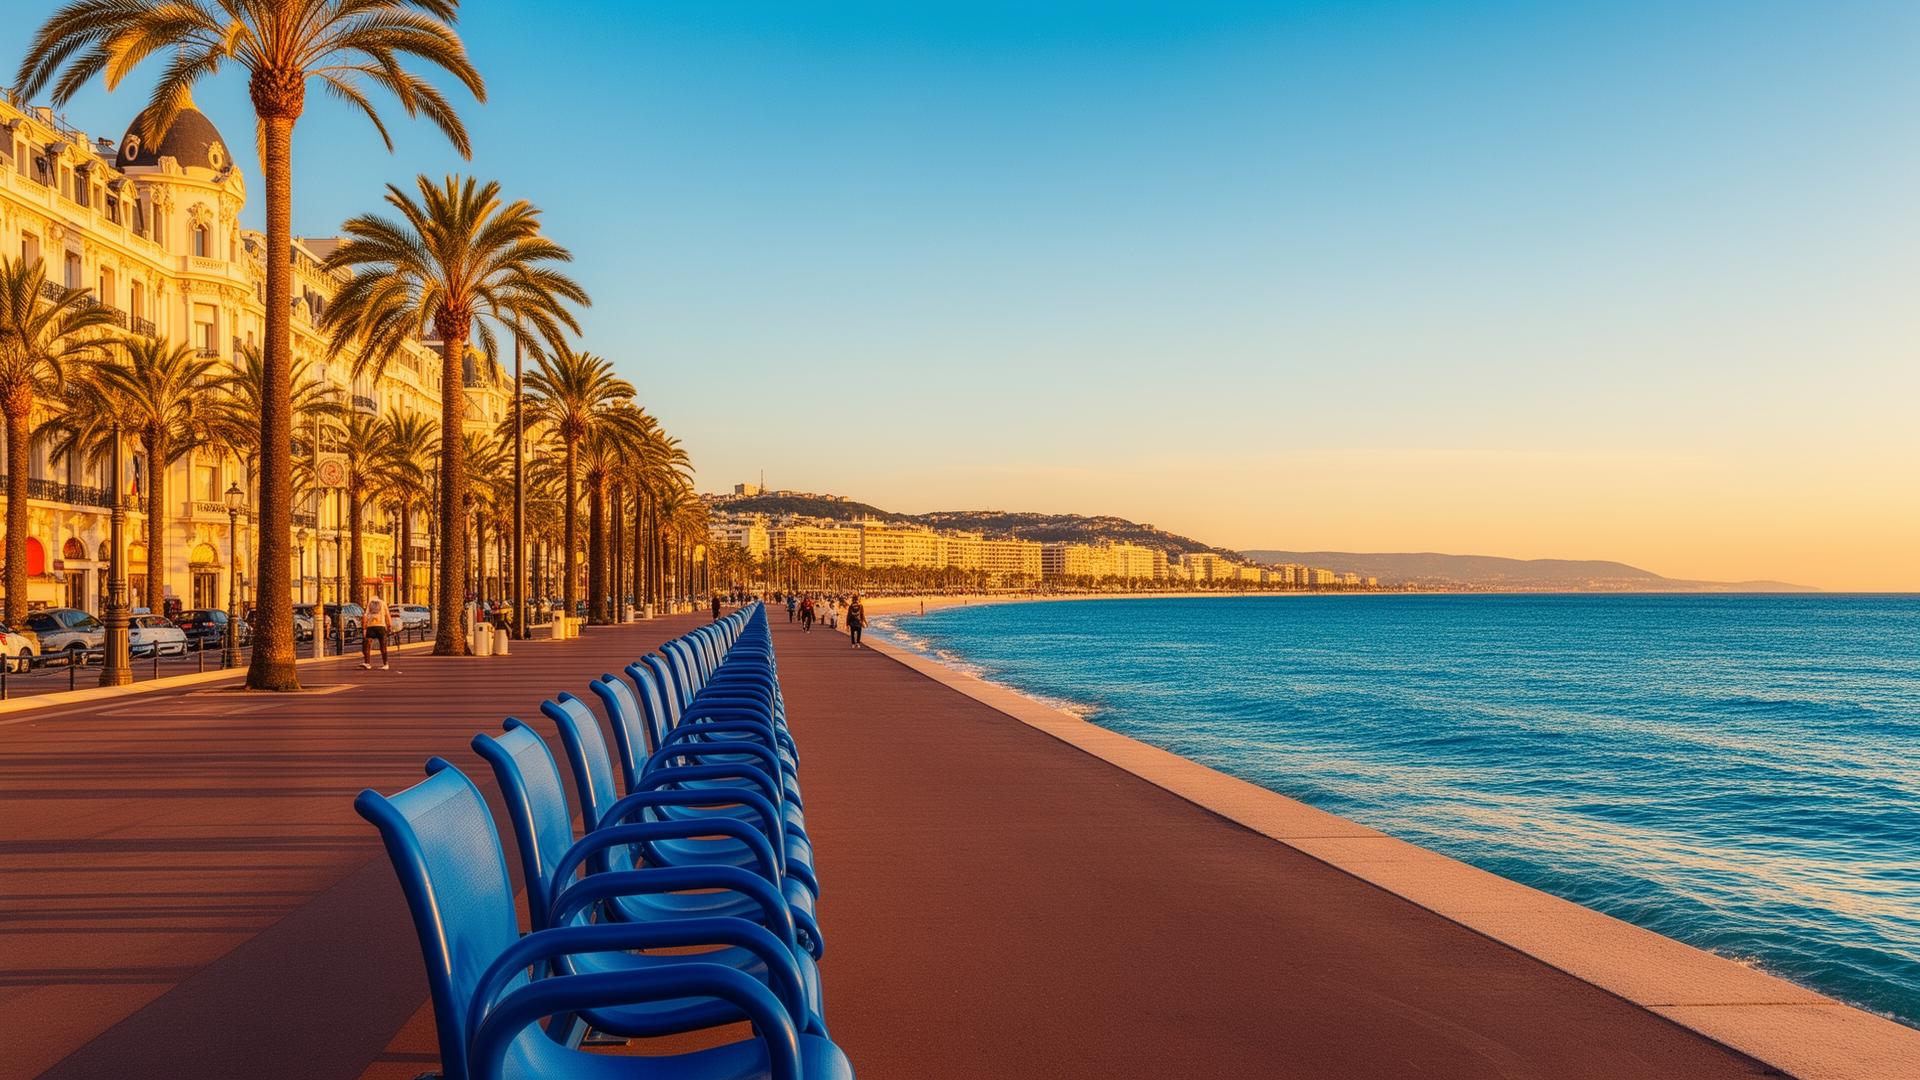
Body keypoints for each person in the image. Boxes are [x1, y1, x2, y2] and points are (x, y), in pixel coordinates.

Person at [360, 585, 391, 670]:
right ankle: (385, 664)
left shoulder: (369, 603)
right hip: (381, 626)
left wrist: (364, 627)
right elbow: (387, 615)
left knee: (367, 644)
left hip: (371, 626)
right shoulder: (383, 603)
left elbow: (365, 616)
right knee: (383, 646)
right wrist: (389, 626)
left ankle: (367, 663)